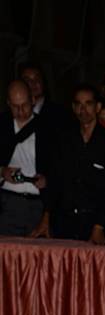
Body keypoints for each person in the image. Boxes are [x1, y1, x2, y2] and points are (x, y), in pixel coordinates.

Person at [31, 84, 105, 243]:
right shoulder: (63, 139)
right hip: (65, 223)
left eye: (88, 104)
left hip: (95, 223)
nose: (83, 109)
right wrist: (46, 218)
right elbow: (54, 180)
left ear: (97, 107)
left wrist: (98, 227)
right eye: (78, 104)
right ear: (73, 107)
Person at [0, 80, 50, 236]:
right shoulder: (1, 125)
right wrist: (2, 172)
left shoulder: (49, 128)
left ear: (33, 100)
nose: (21, 111)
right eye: (15, 106)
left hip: (38, 205)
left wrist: (47, 180)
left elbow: (60, 169)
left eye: (25, 105)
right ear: (8, 103)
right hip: (6, 204)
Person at [19, 61, 71, 131]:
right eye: (27, 80)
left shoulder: (60, 113)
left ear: (43, 81)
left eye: (37, 78)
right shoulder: (14, 114)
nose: (33, 83)